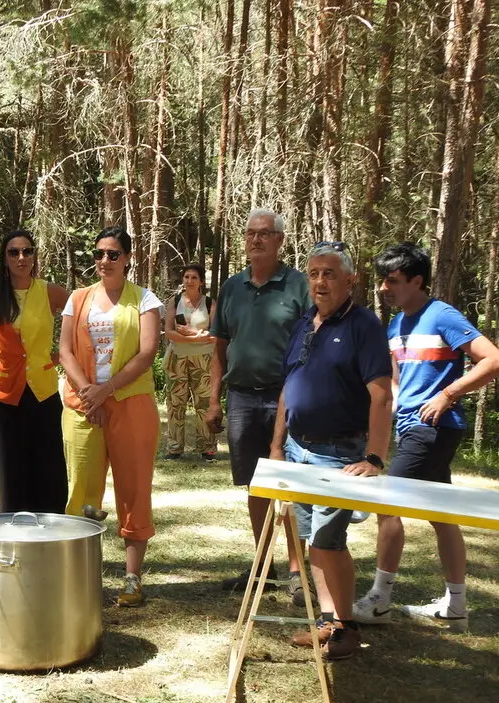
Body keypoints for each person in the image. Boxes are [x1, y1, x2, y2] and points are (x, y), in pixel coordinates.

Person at [352, 243, 499, 631]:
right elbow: (397, 382)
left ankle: (380, 600)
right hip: (410, 427)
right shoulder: (396, 324)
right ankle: (456, 604)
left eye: (393, 281)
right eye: (382, 281)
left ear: (417, 281)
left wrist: (448, 394)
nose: (384, 289)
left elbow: (495, 360)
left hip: (433, 428)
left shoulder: (442, 316)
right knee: (442, 516)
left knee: (386, 505)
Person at [268, 244, 392, 660]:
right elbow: (289, 386)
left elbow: (381, 396)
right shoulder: (305, 323)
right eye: (314, 273)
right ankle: (329, 620)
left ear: (350, 280)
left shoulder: (364, 326)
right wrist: (277, 444)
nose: (320, 282)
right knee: (311, 540)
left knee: (328, 539)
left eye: (329, 274)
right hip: (298, 449)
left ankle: (347, 628)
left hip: (339, 453)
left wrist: (374, 457)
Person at [205, 209, 312, 603]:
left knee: (293, 484)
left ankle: (297, 572)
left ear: (280, 241)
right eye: (250, 233)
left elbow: (312, 343)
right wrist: (214, 400)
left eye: (265, 234)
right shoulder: (232, 287)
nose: (256, 240)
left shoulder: (299, 286)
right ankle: (263, 565)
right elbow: (219, 347)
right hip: (243, 398)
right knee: (256, 484)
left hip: (289, 396)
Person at [59, 227, 161, 607]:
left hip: (130, 404)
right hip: (83, 404)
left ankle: (132, 578)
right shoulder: (78, 299)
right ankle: (80, 576)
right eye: (99, 254)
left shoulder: (144, 300)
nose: (105, 261)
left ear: (128, 258)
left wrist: (107, 390)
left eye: (113, 254)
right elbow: (65, 350)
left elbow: (146, 353)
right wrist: (90, 392)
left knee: (134, 488)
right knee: (82, 490)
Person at [0, 229, 70, 513]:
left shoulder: (50, 291)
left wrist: (58, 356)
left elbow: (85, 320)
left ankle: (53, 537)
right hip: (4, 393)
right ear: (4, 258)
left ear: (34, 256)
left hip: (42, 391)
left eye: (27, 251)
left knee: (50, 472)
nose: (21, 257)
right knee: (12, 472)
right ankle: (15, 540)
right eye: (14, 252)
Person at [163, 263, 217, 461]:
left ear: (201, 282)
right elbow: (169, 333)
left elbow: (216, 335)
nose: (189, 281)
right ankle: (175, 448)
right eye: (186, 277)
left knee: (203, 403)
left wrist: (192, 334)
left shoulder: (210, 303)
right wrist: (196, 337)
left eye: (194, 277)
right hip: (177, 358)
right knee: (176, 403)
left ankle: (207, 447)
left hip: (204, 359)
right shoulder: (174, 302)